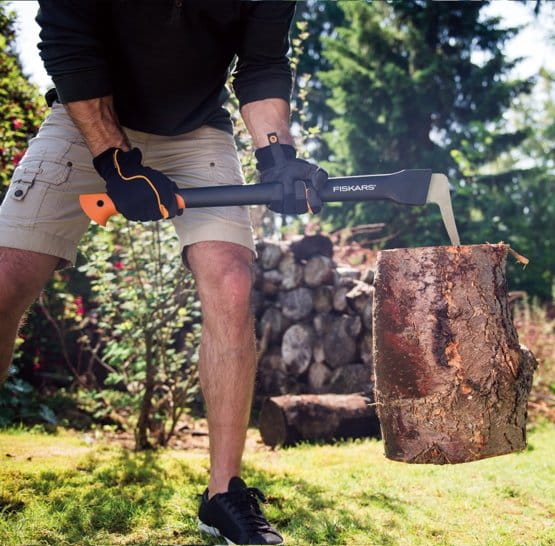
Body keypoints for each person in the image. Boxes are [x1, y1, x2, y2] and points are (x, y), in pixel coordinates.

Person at [0, 1, 328, 544]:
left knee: (232, 279)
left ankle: (223, 496)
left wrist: (278, 158)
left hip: (198, 131)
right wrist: (116, 161)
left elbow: (263, 63)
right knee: (5, 278)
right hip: (85, 119)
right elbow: (67, 40)